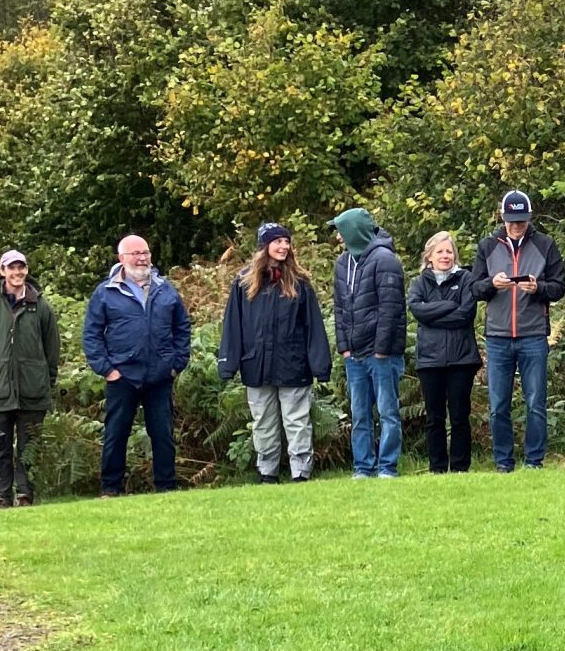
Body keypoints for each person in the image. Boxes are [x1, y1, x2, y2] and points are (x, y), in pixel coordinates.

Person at [216, 222, 331, 483]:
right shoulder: (244, 282)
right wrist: (228, 364)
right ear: (264, 245)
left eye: (286, 241)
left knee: (297, 421)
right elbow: (233, 326)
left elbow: (313, 326)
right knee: (263, 423)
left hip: (293, 364)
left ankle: (300, 472)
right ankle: (267, 472)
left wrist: (320, 366)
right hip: (256, 365)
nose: (284, 246)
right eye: (278, 241)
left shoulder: (300, 282)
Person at [82, 235, 193, 497]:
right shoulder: (106, 292)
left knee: (162, 434)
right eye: (136, 254)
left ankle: (166, 487)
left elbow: (182, 327)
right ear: (122, 258)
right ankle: (111, 488)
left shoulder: (165, 289)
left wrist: (176, 363)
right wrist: (107, 370)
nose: (142, 258)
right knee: (116, 433)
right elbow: (91, 334)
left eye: (145, 252)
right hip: (122, 375)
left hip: (159, 375)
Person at [471, 192, 565, 472]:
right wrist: (492, 284)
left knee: (535, 402)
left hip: (533, 334)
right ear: (502, 217)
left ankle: (534, 461)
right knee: (498, 405)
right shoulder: (487, 246)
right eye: (512, 221)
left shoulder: (545, 245)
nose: (516, 226)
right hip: (498, 336)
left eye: (521, 220)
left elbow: (559, 287)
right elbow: (474, 288)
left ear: (529, 217)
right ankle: (503, 463)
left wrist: (539, 288)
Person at [0, 248, 60, 507]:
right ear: (2, 271)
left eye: (21, 267)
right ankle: (1, 497)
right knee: (0, 448)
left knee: (29, 448)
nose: (17, 272)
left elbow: (52, 350)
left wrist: (47, 383)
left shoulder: (41, 307)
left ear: (26, 270)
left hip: (33, 391)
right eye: (11, 268)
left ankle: (25, 494)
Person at [328, 208, 407, 479]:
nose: (338, 237)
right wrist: (344, 347)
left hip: (381, 354)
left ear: (354, 231)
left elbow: (390, 308)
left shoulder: (385, 260)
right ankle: (363, 467)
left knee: (387, 412)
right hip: (354, 355)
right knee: (359, 414)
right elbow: (339, 308)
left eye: (341, 230)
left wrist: (382, 349)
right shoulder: (342, 263)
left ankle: (387, 467)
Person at [410, 232, 480, 474]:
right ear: (429, 256)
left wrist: (433, 315)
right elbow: (418, 311)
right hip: (430, 360)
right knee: (434, 418)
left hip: (462, 358)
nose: (445, 256)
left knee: (460, 416)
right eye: (439, 251)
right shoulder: (418, 283)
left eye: (449, 251)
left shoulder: (467, 279)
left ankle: (460, 467)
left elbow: (465, 314)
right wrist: (450, 305)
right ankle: (437, 467)